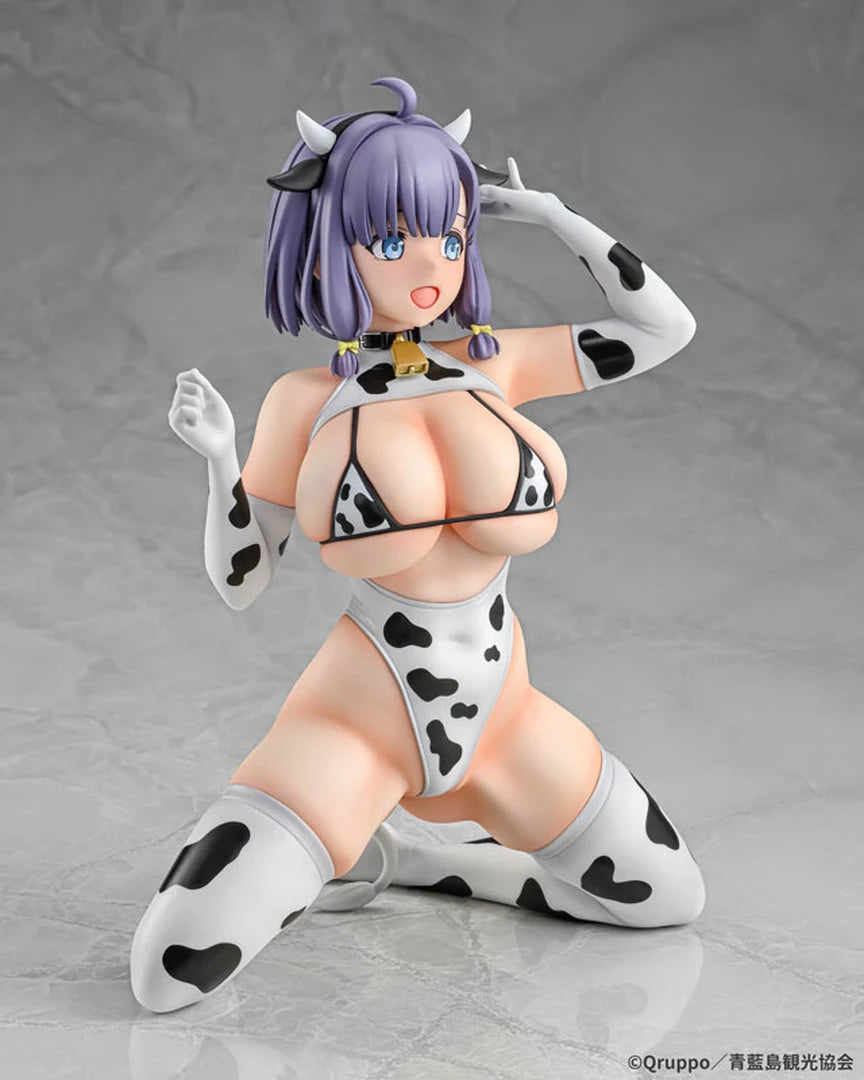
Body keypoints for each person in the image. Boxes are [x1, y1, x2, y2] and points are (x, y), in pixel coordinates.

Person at [130, 76, 704, 1014]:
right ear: (332, 244)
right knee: (172, 972)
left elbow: (664, 328)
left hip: (505, 719)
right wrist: (221, 460)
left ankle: (415, 863)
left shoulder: (493, 362)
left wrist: (555, 216)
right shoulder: (306, 402)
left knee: (668, 899)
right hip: (354, 721)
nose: (430, 264)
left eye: (452, 235)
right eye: (393, 241)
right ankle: (349, 841)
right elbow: (242, 580)